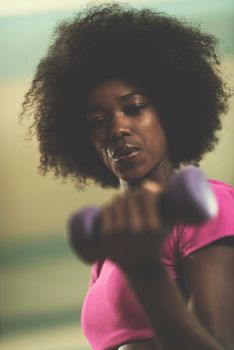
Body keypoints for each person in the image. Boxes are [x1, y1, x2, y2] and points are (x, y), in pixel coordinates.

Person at [20, 3, 234, 350]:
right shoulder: (111, 248)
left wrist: (146, 268)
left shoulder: (210, 206)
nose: (117, 129)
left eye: (134, 108)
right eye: (97, 122)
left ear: (169, 111)